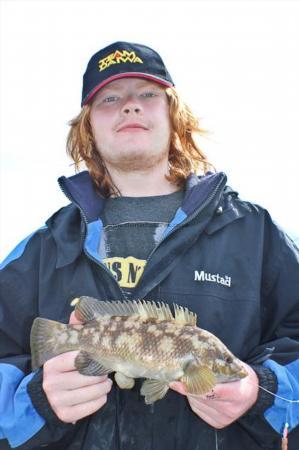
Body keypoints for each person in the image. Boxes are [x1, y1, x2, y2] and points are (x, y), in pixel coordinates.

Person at [0, 41, 298, 450]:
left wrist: (261, 393)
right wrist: (32, 402)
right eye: (109, 98)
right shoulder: (40, 249)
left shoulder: (256, 234)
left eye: (148, 94)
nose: (130, 106)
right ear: (87, 126)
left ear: (174, 113)